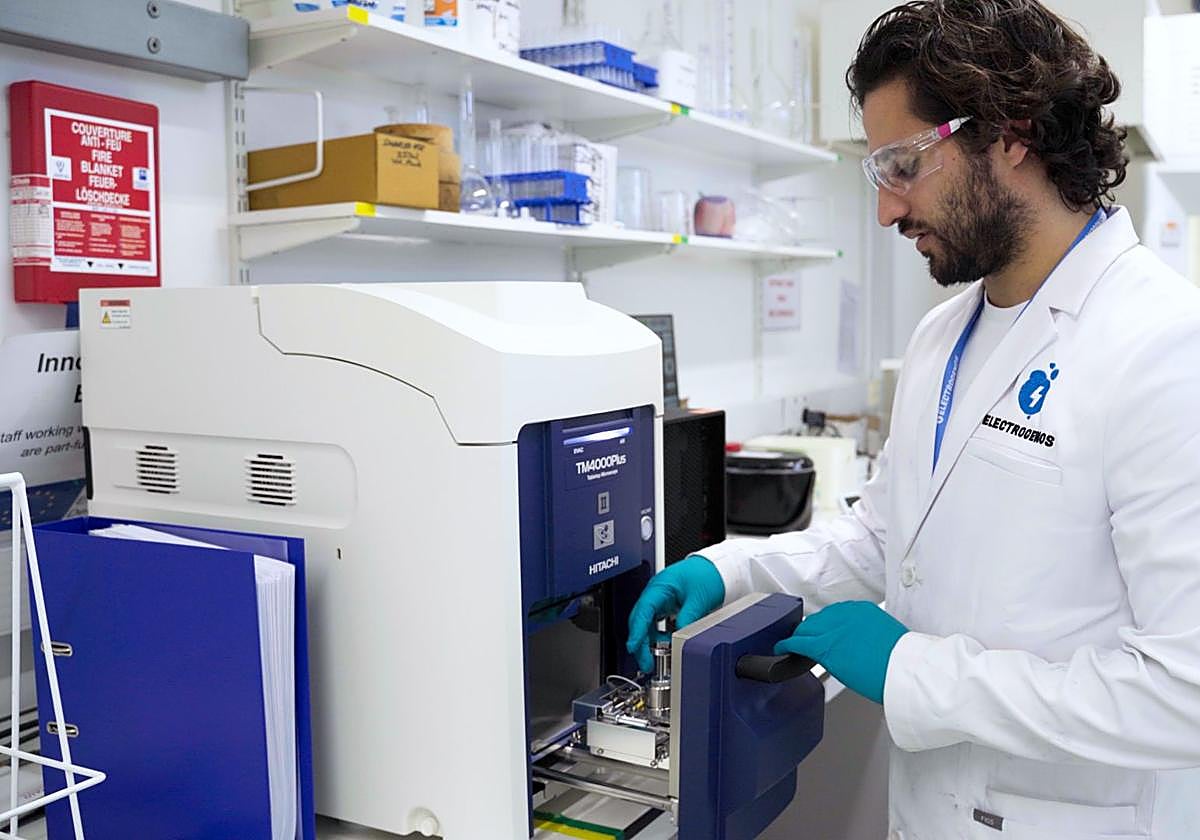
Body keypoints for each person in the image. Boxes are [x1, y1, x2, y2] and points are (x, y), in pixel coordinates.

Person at [626, 2, 1200, 837]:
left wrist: (914, 673)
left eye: (903, 165)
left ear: (1012, 133)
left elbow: (1186, 692)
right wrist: (732, 571)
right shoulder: (943, 335)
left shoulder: (1167, 346)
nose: (887, 211)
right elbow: (889, 540)